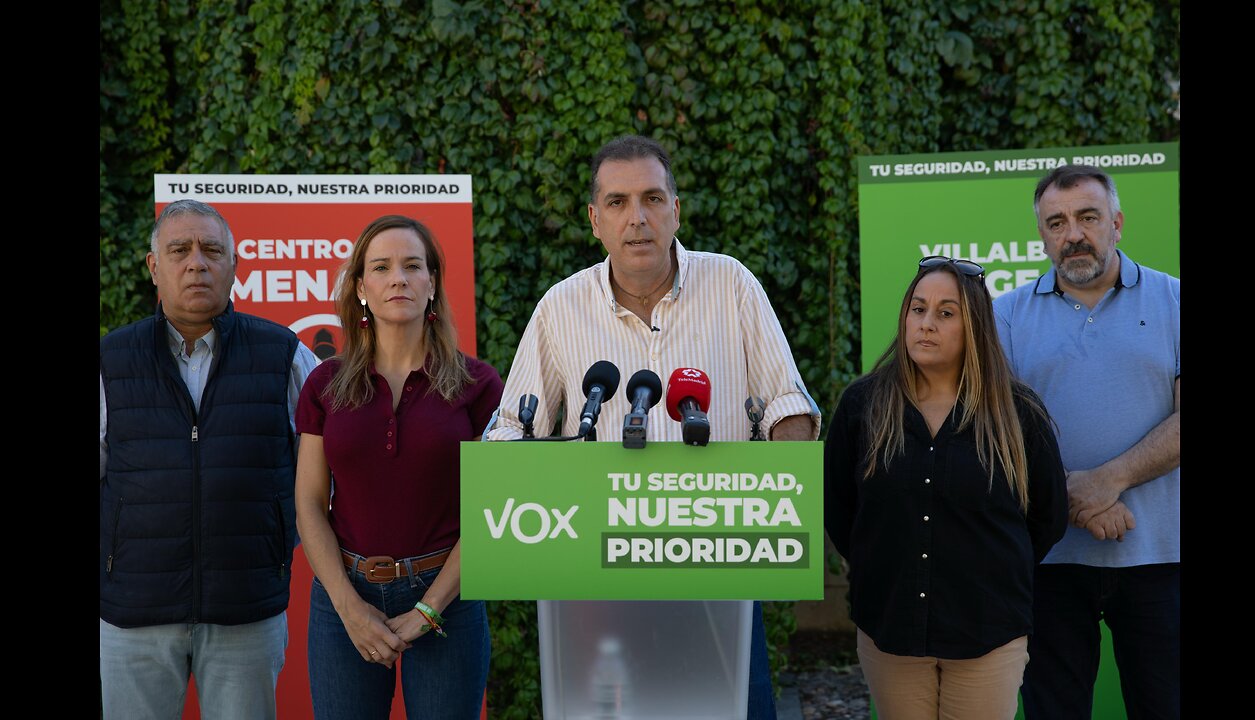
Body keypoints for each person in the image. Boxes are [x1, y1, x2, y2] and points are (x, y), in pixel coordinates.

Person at [487, 134, 821, 718]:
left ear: (676, 209)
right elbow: (513, 430)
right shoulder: (560, 308)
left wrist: (777, 501)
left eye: (651, 198)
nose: (636, 218)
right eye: (617, 203)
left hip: (718, 575)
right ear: (594, 220)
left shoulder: (732, 285)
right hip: (602, 585)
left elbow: (787, 408)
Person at [100, 199, 318, 720]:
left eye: (212, 250)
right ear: (155, 268)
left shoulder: (285, 355)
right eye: (179, 250)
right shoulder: (111, 359)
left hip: (246, 608)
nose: (197, 262)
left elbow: (325, 472)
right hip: (134, 614)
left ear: (234, 266)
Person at [824, 256, 1068, 720]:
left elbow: (1047, 518)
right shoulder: (863, 406)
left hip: (987, 632)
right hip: (890, 629)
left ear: (974, 325)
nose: (926, 324)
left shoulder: (1018, 414)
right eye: (918, 309)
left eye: (945, 313)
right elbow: (840, 512)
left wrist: (988, 571)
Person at [295, 215, 503, 719]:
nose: (399, 279)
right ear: (361, 287)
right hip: (344, 597)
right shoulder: (325, 383)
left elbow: (491, 509)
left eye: (413, 266)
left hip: (448, 599)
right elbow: (307, 502)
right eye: (382, 267)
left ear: (432, 283)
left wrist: (428, 610)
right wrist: (349, 608)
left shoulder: (477, 384)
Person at [994, 165, 1180, 719]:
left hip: (1162, 558)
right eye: (1056, 222)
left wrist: (1110, 480)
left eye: (1087, 217)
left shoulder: (1175, 301)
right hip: (1048, 560)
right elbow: (998, 429)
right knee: (1054, 712)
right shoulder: (1004, 314)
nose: (1072, 233)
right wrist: (1073, 498)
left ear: (1117, 223)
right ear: (1043, 236)